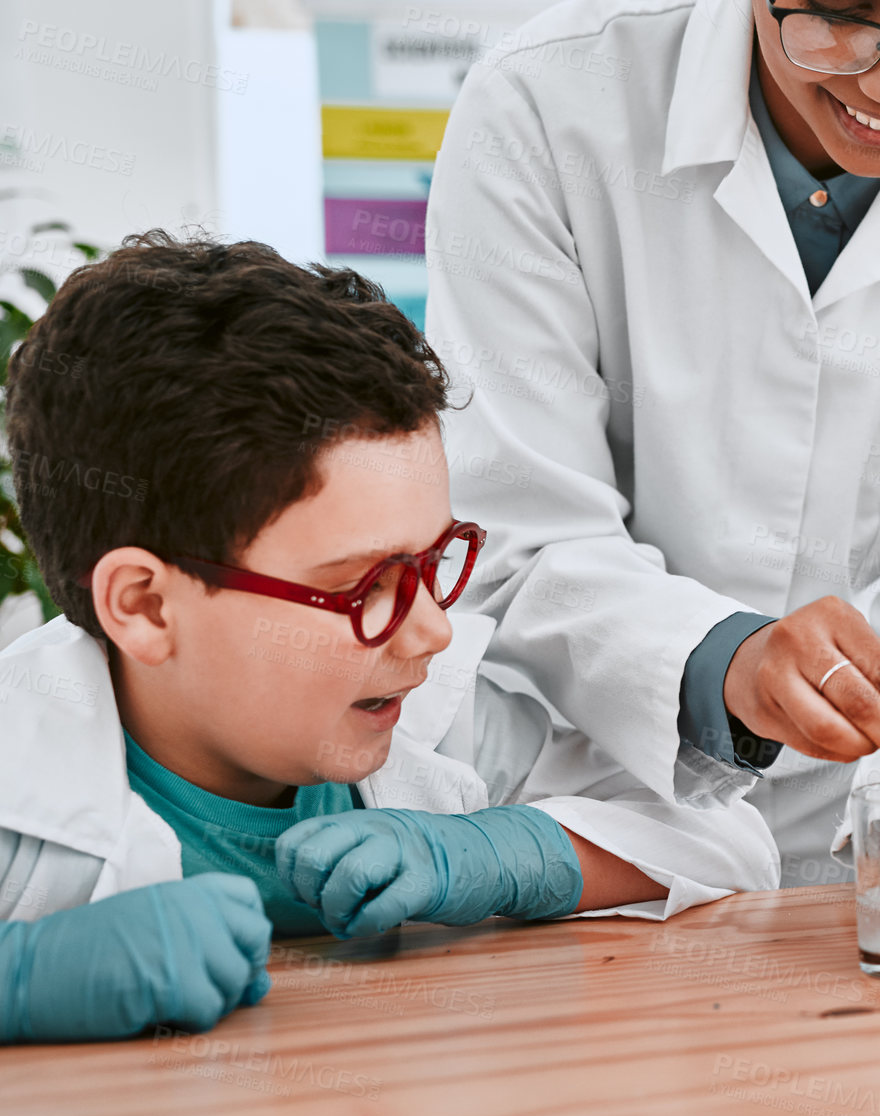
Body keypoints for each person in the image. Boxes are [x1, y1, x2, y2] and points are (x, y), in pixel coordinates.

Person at [429, 0, 880, 958]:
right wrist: (726, 660)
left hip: (875, 810)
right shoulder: (546, 106)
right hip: (596, 811)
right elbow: (518, 526)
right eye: (846, 17)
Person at [0, 233, 777, 1043]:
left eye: (433, 560)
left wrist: (501, 854)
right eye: (358, 585)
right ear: (147, 607)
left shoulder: (440, 717)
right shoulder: (20, 762)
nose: (433, 629)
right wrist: (19, 980)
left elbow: (728, 840)